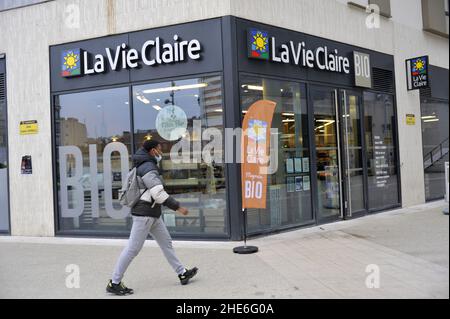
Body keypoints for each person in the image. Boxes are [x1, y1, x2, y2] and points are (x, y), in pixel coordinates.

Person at [106, 140, 198, 296]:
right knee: (132, 249)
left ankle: (182, 273)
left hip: (153, 214)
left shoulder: (145, 165)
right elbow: (158, 194)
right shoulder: (148, 167)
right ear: (152, 151)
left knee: (166, 243)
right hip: (144, 215)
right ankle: (114, 282)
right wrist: (178, 207)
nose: (161, 152)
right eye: (159, 149)